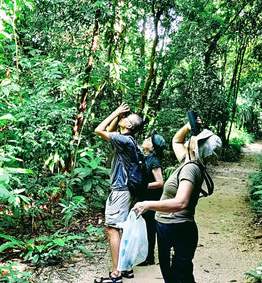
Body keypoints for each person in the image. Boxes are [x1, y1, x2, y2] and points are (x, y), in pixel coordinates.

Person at [131, 118, 221, 283]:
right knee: (173, 274)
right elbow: (176, 140)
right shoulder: (189, 161)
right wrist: (188, 126)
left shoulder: (190, 169)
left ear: (196, 147)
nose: (193, 136)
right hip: (170, 226)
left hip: (177, 228)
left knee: (180, 275)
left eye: (197, 137)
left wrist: (148, 205)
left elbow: (181, 203)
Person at [94, 102, 144, 283]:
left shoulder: (124, 141)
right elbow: (110, 131)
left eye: (126, 118)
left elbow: (99, 130)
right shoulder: (126, 141)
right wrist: (118, 117)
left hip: (120, 190)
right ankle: (126, 268)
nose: (123, 117)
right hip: (125, 190)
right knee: (119, 227)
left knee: (112, 228)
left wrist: (115, 112)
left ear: (130, 126)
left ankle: (116, 275)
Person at [137, 131, 166, 266]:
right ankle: (145, 255)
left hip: (152, 197)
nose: (145, 139)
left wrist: (143, 186)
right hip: (145, 196)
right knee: (145, 226)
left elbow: (160, 182)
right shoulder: (146, 157)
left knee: (150, 226)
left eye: (148, 139)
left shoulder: (154, 161)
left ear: (153, 146)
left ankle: (149, 257)